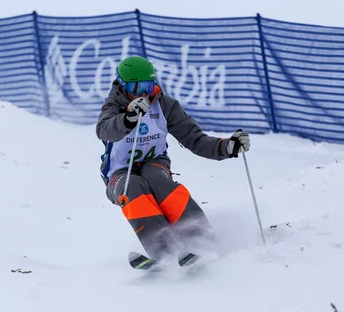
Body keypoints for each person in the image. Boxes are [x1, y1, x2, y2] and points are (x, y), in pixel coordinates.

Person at [96, 55, 250, 261]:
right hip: (119, 173)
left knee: (158, 181)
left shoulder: (164, 106)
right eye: (137, 88)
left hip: (155, 162)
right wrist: (128, 118)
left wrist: (227, 147)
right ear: (123, 87)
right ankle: (162, 250)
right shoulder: (113, 106)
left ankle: (202, 237)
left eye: (148, 86)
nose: (144, 93)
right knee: (132, 187)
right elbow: (104, 131)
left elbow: (194, 138)